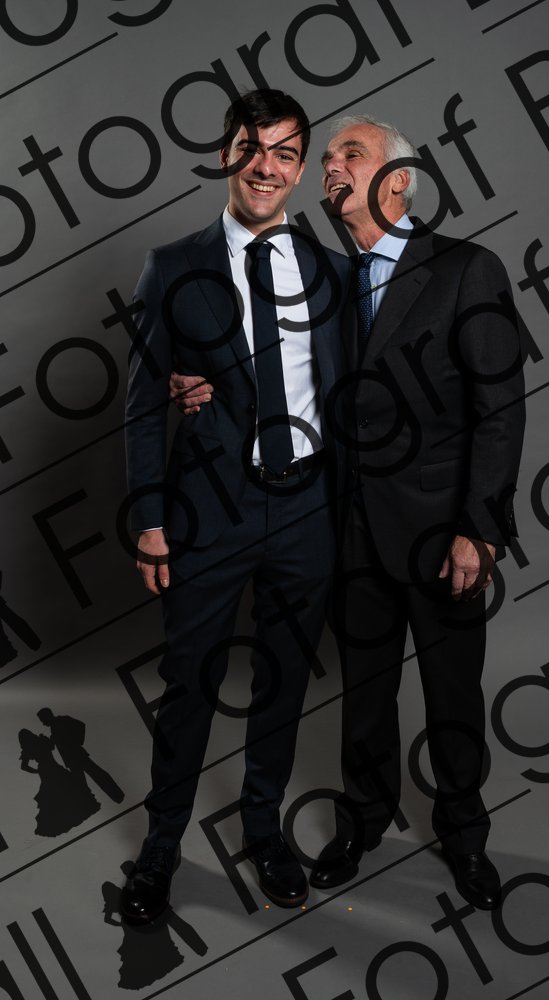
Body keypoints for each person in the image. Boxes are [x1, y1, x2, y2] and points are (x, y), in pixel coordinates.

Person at [171, 114, 525, 910]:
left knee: (453, 693)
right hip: (347, 531)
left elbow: (500, 410)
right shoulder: (326, 277)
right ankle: (362, 822)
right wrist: (185, 380)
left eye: (349, 155)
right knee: (364, 693)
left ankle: (465, 835)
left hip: (442, 532)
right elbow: (272, 365)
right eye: (326, 157)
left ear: (398, 180)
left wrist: (479, 529)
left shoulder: (467, 270)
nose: (330, 166)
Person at [121, 89, 351, 923]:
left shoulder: (331, 271)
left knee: (284, 678)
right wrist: (150, 521)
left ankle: (263, 829)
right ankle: (160, 848)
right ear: (226, 155)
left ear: (300, 169)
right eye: (252, 148)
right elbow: (144, 405)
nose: (266, 166)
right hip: (209, 511)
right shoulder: (171, 265)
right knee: (190, 681)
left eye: (285, 153)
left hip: (308, 509)